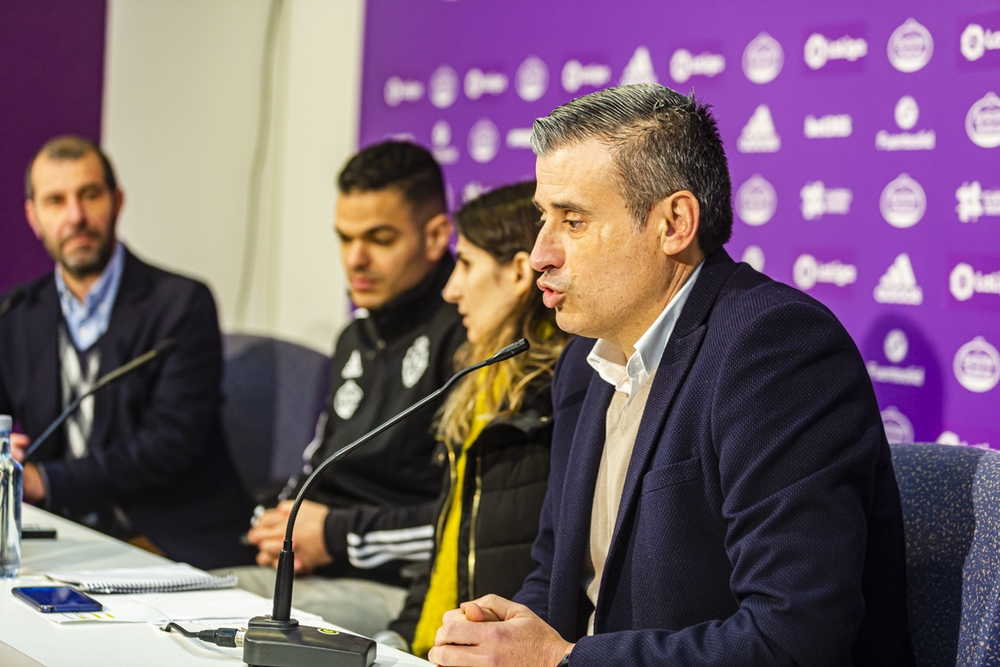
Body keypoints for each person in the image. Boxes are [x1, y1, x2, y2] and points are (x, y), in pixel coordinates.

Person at [429, 84, 913, 667]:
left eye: (574, 221)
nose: (540, 253)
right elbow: (559, 578)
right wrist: (498, 635)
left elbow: (793, 638)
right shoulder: (583, 369)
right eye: (542, 218)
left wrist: (558, 661)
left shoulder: (777, 351)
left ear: (674, 223)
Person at [237, 141, 465, 636]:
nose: (355, 259)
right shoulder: (355, 335)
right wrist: (282, 525)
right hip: (314, 568)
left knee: (220, 613)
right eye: (345, 238)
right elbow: (317, 463)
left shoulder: (470, 335)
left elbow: (472, 520)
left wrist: (335, 536)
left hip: (402, 587)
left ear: (435, 236)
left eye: (380, 239)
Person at [0, 135, 254, 569]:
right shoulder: (17, 313)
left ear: (117, 201)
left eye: (90, 195)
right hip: (65, 534)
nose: (76, 216)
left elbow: (167, 446)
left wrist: (44, 480)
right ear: (34, 217)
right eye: (56, 201)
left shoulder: (181, 303)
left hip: (166, 536)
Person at [363, 182, 572, 656]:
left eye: (466, 264)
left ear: (519, 273)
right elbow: (446, 544)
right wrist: (400, 634)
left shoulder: (560, 394)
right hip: (440, 640)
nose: (451, 289)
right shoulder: (477, 385)